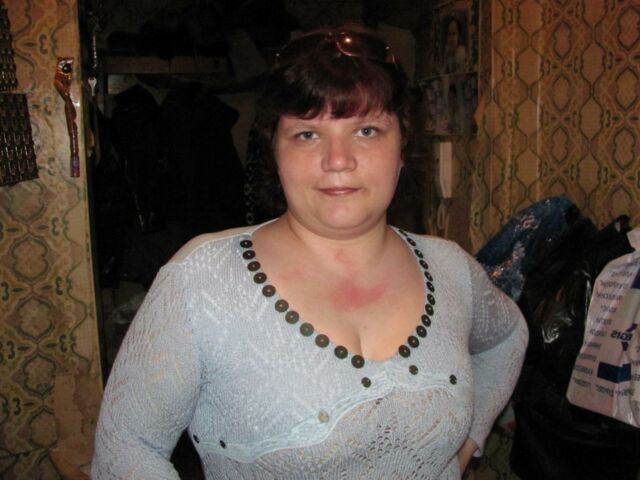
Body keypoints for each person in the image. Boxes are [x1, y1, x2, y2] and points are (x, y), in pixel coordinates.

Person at [92, 25, 528, 479]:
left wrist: (465, 446)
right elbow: (126, 446)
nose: (338, 160)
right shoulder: (203, 279)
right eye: (307, 134)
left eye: (367, 130)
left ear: (402, 146)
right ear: (275, 150)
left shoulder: (450, 267)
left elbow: (508, 336)